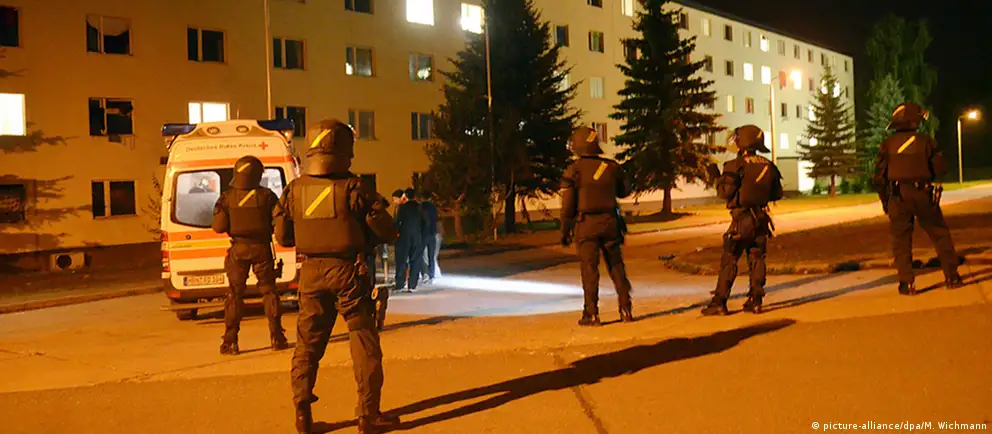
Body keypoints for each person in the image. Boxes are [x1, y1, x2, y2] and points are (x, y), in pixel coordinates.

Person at [273, 119, 399, 434]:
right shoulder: (355, 188)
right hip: (349, 273)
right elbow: (387, 231)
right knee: (363, 340)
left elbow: (283, 236)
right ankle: (367, 416)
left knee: (308, 345)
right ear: (345, 150)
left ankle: (303, 415)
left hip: (311, 273)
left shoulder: (294, 190)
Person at [873, 102, 964, 295]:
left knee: (901, 240)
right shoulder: (925, 141)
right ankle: (952, 276)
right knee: (939, 234)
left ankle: (907, 283)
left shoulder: (887, 144)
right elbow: (940, 168)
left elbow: (879, 177)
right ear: (914, 121)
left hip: (898, 195)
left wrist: (885, 201)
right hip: (922, 193)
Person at [701, 125, 783, 316]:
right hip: (761, 219)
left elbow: (724, 192)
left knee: (729, 259)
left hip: (742, 220)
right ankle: (756, 301)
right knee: (757, 258)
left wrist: (715, 176)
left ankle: (719, 302)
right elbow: (777, 194)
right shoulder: (768, 165)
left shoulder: (734, 165)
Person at [211, 155, 289, 355]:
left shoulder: (227, 198)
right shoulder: (267, 196)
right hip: (262, 249)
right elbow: (279, 223)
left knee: (235, 294)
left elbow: (218, 227)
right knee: (269, 292)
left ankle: (230, 341)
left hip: (238, 250)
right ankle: (277, 337)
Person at [560, 126, 634, 326]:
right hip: (610, 223)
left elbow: (568, 206)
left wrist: (565, 231)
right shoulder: (611, 167)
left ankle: (591, 314)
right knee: (616, 266)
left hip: (586, 225)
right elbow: (624, 191)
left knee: (589, 270)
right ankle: (626, 309)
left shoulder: (573, 170)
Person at [393, 188, 427, 292]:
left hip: (404, 237)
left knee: (401, 261)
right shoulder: (420, 207)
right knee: (415, 260)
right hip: (417, 237)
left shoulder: (402, 208)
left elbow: (397, 222)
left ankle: (400, 284)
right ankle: (412, 285)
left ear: (405, 196)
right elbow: (426, 223)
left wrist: (396, 234)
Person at [419, 191, 441, 283]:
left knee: (419, 255)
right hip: (432, 233)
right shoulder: (434, 208)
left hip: (423, 234)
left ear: (422, 198)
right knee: (431, 256)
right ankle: (432, 275)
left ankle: (425, 273)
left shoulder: (420, 207)